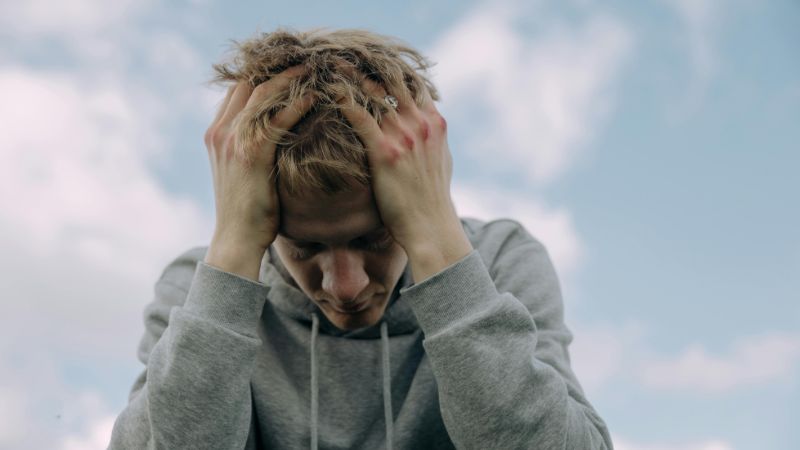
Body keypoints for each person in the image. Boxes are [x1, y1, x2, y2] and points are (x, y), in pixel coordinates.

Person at [108, 28, 614, 450]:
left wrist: (437, 244)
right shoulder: (201, 291)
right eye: (304, 248)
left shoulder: (502, 261)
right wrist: (233, 250)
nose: (345, 287)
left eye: (375, 239)